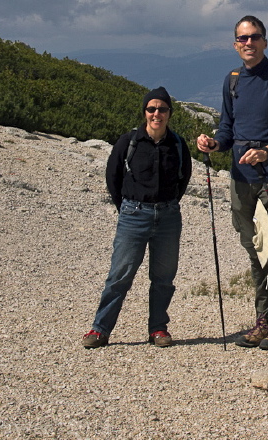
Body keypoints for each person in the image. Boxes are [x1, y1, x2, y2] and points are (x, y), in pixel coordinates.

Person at [197, 15, 268, 350]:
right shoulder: (232, 82)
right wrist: (215, 144)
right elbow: (227, 129)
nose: (248, 43)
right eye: (242, 39)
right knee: (256, 251)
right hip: (242, 181)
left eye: (254, 37)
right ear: (235, 44)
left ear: (265, 42)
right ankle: (263, 320)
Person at [83, 87, 192, 349]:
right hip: (133, 215)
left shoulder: (177, 144)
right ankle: (100, 329)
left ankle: (158, 329)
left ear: (169, 113)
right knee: (120, 275)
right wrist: (127, 208)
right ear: (145, 112)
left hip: (168, 216)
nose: (157, 113)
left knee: (164, 278)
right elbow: (113, 177)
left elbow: (183, 178)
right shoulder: (128, 142)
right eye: (152, 109)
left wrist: (169, 204)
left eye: (162, 109)